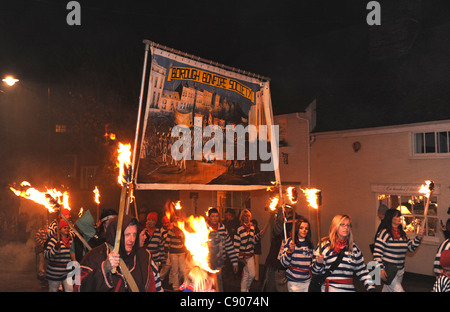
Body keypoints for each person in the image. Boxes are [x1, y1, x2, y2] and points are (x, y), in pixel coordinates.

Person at [77, 215, 162, 292]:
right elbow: (80, 288)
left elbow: (151, 288)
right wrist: (103, 269)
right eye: (127, 234)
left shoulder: (142, 256)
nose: (132, 239)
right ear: (116, 234)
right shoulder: (95, 256)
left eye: (134, 234)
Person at [311, 214, 375, 292]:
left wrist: (371, 288)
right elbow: (314, 271)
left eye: (348, 225)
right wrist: (319, 263)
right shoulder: (324, 245)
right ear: (335, 226)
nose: (346, 227)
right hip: (330, 289)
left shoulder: (354, 248)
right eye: (342, 225)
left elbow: (362, 271)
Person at [373, 208, 424, 292]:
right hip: (388, 269)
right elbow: (377, 253)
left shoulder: (402, 234)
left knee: (388, 290)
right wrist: (381, 269)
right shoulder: (384, 233)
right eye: (397, 216)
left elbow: (411, 248)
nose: (400, 218)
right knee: (398, 290)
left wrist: (418, 238)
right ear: (390, 218)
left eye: (400, 216)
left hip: (400, 270)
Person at [261, 204, 297, 292]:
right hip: (275, 265)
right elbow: (277, 229)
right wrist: (281, 217)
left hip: (288, 267)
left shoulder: (295, 231)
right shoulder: (279, 230)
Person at [206, 207, 238, 291]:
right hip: (207, 263)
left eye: (217, 216)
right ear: (209, 217)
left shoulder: (222, 228)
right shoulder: (204, 228)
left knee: (218, 284)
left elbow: (229, 245)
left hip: (219, 262)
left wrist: (234, 262)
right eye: (213, 216)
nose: (215, 218)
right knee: (207, 285)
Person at [280, 217, 315, 292]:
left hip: (307, 281)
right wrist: (289, 251)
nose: (304, 230)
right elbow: (284, 263)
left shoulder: (310, 243)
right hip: (294, 282)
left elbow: (313, 262)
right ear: (297, 229)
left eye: (306, 228)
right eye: (301, 228)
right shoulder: (290, 241)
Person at [234, 209, 265, 292]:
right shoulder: (239, 229)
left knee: (252, 274)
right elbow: (236, 244)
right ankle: (244, 290)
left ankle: (246, 288)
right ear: (242, 217)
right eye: (245, 216)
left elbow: (253, 241)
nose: (247, 218)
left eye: (248, 216)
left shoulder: (252, 228)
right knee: (245, 275)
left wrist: (258, 236)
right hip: (242, 256)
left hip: (250, 254)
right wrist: (237, 257)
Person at [44, 219, 74, 292]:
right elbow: (46, 255)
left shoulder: (71, 241)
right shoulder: (54, 241)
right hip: (54, 273)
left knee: (70, 290)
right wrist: (55, 248)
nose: (67, 229)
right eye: (64, 227)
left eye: (67, 227)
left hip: (67, 272)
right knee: (53, 290)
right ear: (59, 230)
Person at [166, 216, 186, 291]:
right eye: (174, 220)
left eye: (177, 220)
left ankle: (181, 283)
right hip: (173, 253)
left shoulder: (182, 231)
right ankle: (175, 286)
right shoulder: (171, 231)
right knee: (174, 270)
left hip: (181, 252)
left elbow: (186, 242)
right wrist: (166, 254)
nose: (176, 222)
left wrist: (182, 237)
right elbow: (167, 242)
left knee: (182, 270)